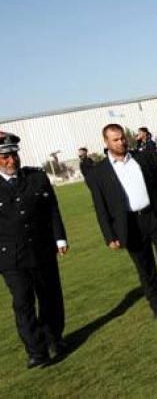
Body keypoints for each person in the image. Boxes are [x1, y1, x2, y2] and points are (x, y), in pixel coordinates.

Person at [88, 124, 157, 320]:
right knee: (146, 268)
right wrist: (109, 235)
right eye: (115, 139)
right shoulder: (98, 173)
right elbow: (100, 207)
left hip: (155, 216)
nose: (121, 142)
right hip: (130, 224)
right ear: (106, 142)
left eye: (122, 138)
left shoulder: (142, 158)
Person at [0, 132, 69, 368]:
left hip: (41, 249)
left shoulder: (36, 177)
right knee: (22, 302)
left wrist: (59, 238)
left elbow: (52, 209)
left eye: (14, 155)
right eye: (5, 157)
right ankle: (36, 351)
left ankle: (54, 338)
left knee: (50, 297)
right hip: (11, 257)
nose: (12, 161)